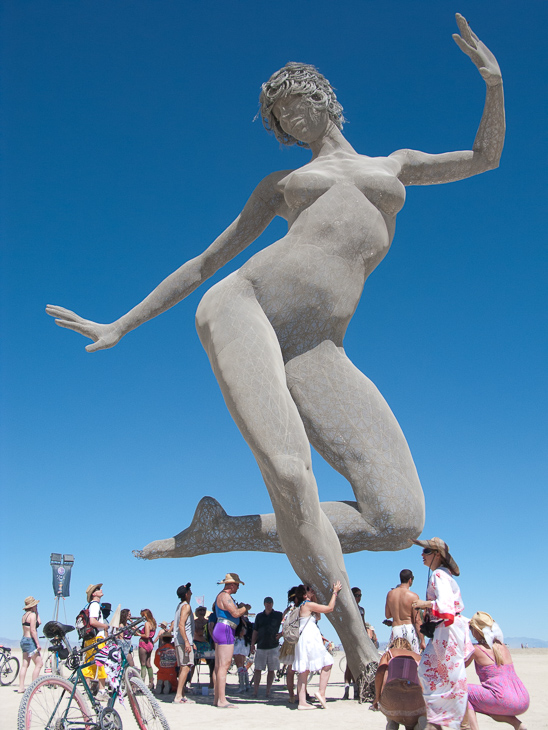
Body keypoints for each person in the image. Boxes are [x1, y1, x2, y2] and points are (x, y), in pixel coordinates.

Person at [47, 14, 505, 680]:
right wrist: (122, 323)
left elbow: (484, 158)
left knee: (399, 517)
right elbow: (208, 261)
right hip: (245, 306)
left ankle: (220, 532)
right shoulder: (281, 185)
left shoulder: (394, 165)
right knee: (292, 475)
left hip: (318, 347)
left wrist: (492, 83)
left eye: (298, 105)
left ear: (325, 98)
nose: (292, 122)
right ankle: (356, 641)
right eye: (281, 119)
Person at [411, 538, 473, 730]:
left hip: (447, 631)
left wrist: (425, 604)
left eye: (427, 551)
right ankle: (446, 721)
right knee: (442, 676)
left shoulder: (438, 574)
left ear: (437, 555)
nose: (422, 554)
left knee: (439, 676)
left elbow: (446, 606)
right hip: (448, 631)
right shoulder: (443, 574)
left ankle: (445, 722)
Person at [466, 612, 529, 730]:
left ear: (477, 630)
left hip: (504, 699)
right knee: (485, 704)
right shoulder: (502, 646)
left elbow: (460, 666)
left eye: (471, 628)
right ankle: (517, 724)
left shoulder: (476, 649)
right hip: (522, 698)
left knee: (462, 691)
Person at [294, 581, 342, 710]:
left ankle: (302, 702)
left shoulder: (305, 605)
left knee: (304, 670)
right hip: (309, 640)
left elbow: (318, 617)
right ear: (305, 595)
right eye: (309, 589)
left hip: (305, 639)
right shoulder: (308, 605)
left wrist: (314, 597)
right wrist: (335, 592)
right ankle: (320, 692)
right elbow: (329, 608)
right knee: (327, 661)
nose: (312, 590)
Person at [212, 573, 251, 708]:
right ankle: (222, 700)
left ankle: (217, 698)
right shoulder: (225, 596)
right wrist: (245, 608)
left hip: (221, 627)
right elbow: (235, 613)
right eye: (237, 585)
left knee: (218, 666)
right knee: (224, 665)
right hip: (226, 629)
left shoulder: (220, 596)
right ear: (232, 585)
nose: (238, 588)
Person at [372, 637, 426, 730]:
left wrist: (377, 697)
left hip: (392, 700)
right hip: (414, 702)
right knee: (417, 716)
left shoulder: (389, 653)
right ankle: (418, 726)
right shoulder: (419, 658)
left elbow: (380, 673)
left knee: (392, 713)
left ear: (393, 645)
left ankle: (392, 723)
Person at [81, 583, 110, 701]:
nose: (101, 590)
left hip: (89, 639)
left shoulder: (90, 605)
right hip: (97, 638)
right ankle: (102, 691)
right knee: (101, 663)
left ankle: (87, 689)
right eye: (98, 589)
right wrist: (105, 626)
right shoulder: (95, 606)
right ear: (94, 594)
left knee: (89, 663)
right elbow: (93, 621)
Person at [251, 597, 283, 698]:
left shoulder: (278, 615)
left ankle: (268, 691)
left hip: (273, 646)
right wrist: (252, 644)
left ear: (272, 604)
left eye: (270, 603)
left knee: (271, 670)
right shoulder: (259, 616)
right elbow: (255, 631)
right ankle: (255, 691)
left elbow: (287, 623)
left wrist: (282, 634)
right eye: (267, 603)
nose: (268, 604)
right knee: (257, 669)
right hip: (261, 645)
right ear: (264, 604)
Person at [385, 569, 424, 653]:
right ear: (410, 580)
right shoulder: (413, 596)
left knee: (395, 658)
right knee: (413, 659)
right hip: (409, 629)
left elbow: (387, 615)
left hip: (396, 629)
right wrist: (422, 640)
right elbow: (417, 620)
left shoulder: (390, 594)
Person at [173, 583, 196, 704]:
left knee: (184, 666)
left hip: (181, 640)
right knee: (186, 666)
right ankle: (178, 696)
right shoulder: (186, 606)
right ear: (186, 594)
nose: (191, 592)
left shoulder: (180, 606)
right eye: (190, 591)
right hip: (183, 641)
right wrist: (187, 642)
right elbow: (181, 625)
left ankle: (181, 695)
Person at [343, 586, 366, 699]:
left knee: (358, 663)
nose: (359, 598)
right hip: (350, 637)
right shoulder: (347, 608)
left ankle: (356, 688)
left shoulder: (361, 610)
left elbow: (363, 623)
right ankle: (347, 688)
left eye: (360, 595)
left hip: (359, 638)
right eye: (357, 595)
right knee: (349, 663)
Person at [18, 596, 43, 693]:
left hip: (24, 640)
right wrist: (37, 644)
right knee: (39, 663)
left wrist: (37, 611)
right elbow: (33, 630)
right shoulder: (32, 615)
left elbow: (39, 622)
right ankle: (34, 687)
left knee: (25, 664)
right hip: (30, 640)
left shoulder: (24, 616)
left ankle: (21, 687)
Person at [279, 586, 298, 703]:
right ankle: (298, 694)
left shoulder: (286, 611)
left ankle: (292, 695)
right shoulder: (297, 610)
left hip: (288, 642)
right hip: (296, 642)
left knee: (290, 670)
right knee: (297, 670)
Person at [194, 605, 214, 689]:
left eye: (203, 610)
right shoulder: (194, 622)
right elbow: (194, 634)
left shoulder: (207, 622)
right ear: (197, 612)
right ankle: (188, 682)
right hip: (196, 643)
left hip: (206, 644)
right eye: (200, 610)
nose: (202, 612)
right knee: (192, 663)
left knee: (212, 662)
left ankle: (212, 682)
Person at [138, 608, 157, 689]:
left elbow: (146, 635)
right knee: (148, 664)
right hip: (150, 643)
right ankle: (151, 682)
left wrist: (138, 634)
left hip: (144, 643)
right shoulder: (153, 623)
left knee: (143, 664)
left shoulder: (147, 624)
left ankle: (142, 682)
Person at [233, 620, 251, 693]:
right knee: (242, 665)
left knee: (239, 665)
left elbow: (242, 632)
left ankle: (242, 686)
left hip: (239, 642)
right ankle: (247, 685)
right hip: (244, 643)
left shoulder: (239, 621)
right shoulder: (246, 622)